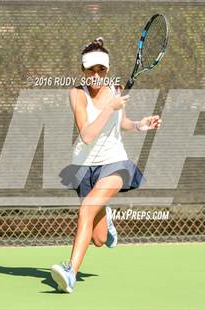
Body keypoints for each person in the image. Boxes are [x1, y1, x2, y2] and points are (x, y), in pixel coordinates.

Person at [51, 37, 162, 293]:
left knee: (86, 210)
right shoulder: (76, 94)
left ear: (107, 70)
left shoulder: (115, 90)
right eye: (91, 69)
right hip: (84, 167)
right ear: (83, 71)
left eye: (101, 69)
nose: (96, 74)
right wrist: (109, 107)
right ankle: (108, 217)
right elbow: (87, 135)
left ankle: (70, 273)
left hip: (115, 163)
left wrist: (139, 125)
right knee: (99, 239)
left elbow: (121, 123)